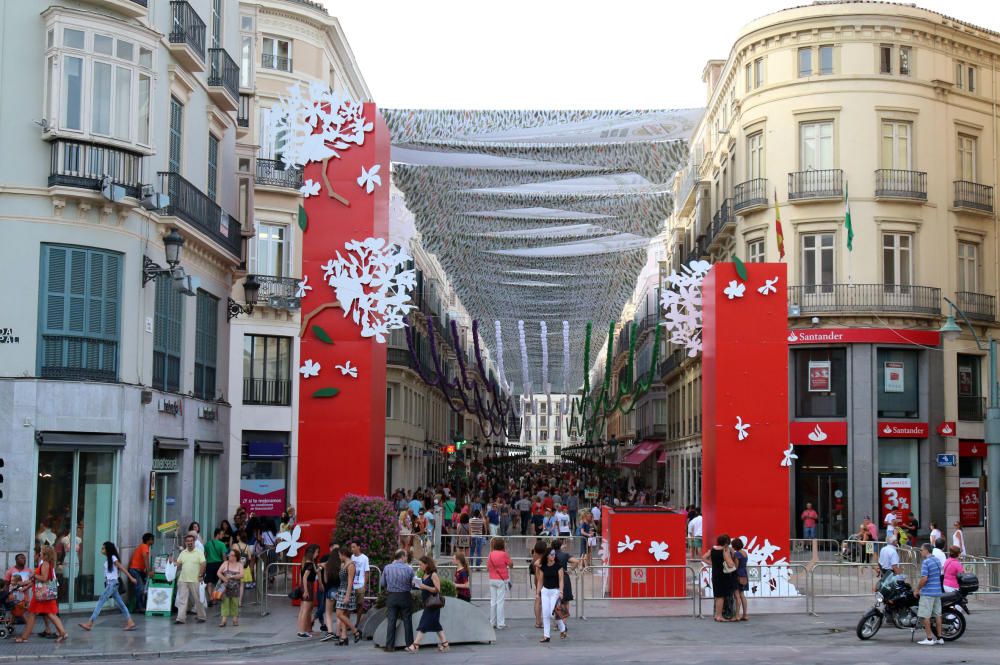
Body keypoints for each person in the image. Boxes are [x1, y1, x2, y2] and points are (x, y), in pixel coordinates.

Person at [78, 542, 136, 631]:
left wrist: (131, 578)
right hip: (112, 584)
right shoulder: (109, 559)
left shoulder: (113, 557)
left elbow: (121, 567)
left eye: (103, 548)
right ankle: (130, 621)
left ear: (108, 549)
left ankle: (90, 623)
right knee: (120, 603)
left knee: (101, 601)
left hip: (112, 584)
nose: (102, 550)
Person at [16, 545, 68, 643]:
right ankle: (63, 633)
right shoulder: (48, 563)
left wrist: (34, 574)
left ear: (45, 554)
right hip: (45, 594)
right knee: (50, 614)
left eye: (41, 551)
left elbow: (44, 578)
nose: (39, 553)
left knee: (32, 614)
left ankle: (24, 637)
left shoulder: (45, 564)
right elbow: (38, 579)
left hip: (41, 594)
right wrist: (25, 584)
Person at [406, 556, 449, 653]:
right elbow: (422, 586)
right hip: (427, 602)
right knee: (436, 625)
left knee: (423, 623)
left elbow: (437, 589)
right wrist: (416, 585)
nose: (420, 566)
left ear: (427, 564)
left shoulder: (433, 574)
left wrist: (424, 586)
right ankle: (445, 644)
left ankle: (415, 645)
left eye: (421, 564)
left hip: (433, 603)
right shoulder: (424, 574)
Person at [380, 549, 415, 652]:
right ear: (402, 556)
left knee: (391, 621)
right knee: (407, 621)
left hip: (392, 597)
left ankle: (390, 646)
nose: (406, 558)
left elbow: (382, 583)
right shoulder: (409, 569)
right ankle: (409, 645)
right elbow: (413, 583)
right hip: (405, 596)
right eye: (406, 556)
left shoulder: (387, 568)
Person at [913, 543, 944, 646]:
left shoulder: (926, 562)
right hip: (937, 591)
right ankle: (940, 637)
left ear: (927, 550)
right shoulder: (937, 560)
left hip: (928, 592)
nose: (921, 552)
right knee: (937, 615)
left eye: (921, 550)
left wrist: (917, 589)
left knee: (925, 616)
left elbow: (924, 578)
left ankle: (929, 638)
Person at [173, 533, 207, 624]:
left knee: (198, 599)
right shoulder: (183, 553)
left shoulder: (199, 552)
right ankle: (180, 618)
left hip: (195, 579)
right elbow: (178, 564)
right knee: (182, 600)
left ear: (194, 542)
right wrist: (172, 561)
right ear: (185, 542)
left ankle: (201, 616)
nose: (189, 543)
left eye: (191, 541)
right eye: (188, 541)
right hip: (183, 579)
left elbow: (203, 563)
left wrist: (200, 575)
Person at [535, 547, 567, 643]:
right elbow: (540, 580)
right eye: (551, 554)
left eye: (554, 554)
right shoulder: (543, 566)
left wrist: (561, 591)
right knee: (545, 613)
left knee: (553, 613)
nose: (553, 556)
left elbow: (561, 580)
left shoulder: (558, 566)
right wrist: (537, 593)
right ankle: (546, 636)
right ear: (547, 556)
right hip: (545, 591)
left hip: (555, 591)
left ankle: (563, 629)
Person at [703, 534, 736, 622]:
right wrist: (732, 556)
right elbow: (730, 564)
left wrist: (712, 564)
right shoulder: (725, 551)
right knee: (721, 596)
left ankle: (717, 615)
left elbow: (704, 558)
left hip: (715, 574)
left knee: (717, 596)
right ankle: (720, 616)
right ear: (726, 543)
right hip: (723, 576)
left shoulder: (713, 549)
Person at [334, 548, 361, 645]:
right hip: (342, 590)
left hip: (347, 591)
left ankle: (355, 631)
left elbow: (350, 582)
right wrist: (339, 591)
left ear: (343, 554)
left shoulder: (351, 565)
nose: (339, 557)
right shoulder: (343, 564)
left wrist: (347, 596)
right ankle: (344, 637)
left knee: (339, 614)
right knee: (343, 615)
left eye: (339, 555)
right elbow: (342, 581)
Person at [487, 537, 513, 630]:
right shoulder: (504, 554)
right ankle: (500, 623)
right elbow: (511, 565)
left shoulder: (490, 554)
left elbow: (487, 567)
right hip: (501, 580)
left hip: (492, 579)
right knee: (500, 602)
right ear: (502, 545)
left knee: (493, 601)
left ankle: (492, 622)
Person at [296, 544, 319, 638]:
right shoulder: (309, 565)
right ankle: (302, 631)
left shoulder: (305, 563)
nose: (318, 554)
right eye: (317, 552)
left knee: (302, 610)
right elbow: (305, 578)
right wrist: (306, 591)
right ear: (312, 553)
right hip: (308, 587)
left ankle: (301, 630)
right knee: (306, 610)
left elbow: (301, 577)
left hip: (304, 587)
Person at [319, 543, 341, 642]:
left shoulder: (328, 565)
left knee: (328, 613)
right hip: (340, 590)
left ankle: (330, 632)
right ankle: (338, 633)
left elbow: (326, 580)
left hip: (330, 590)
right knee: (339, 613)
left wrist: (324, 571)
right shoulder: (342, 564)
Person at [217, 548, 244, 627]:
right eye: (229, 555)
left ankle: (235, 620)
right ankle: (223, 620)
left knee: (234, 603)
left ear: (236, 557)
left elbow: (242, 575)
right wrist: (224, 578)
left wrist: (232, 576)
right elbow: (218, 572)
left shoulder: (239, 564)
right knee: (224, 603)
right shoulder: (225, 563)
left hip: (235, 587)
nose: (230, 556)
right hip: (226, 587)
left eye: (232, 555)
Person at [129, 533, 154, 612]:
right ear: (149, 540)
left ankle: (139, 606)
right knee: (140, 588)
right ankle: (140, 607)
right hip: (135, 570)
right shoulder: (144, 546)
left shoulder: (143, 546)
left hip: (138, 570)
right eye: (152, 539)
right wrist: (149, 571)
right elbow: (145, 558)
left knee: (141, 589)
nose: (153, 541)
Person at [204, 528, 228, 605]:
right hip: (219, 565)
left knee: (209, 582)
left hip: (209, 564)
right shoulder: (222, 544)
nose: (223, 536)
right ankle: (217, 597)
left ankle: (211, 598)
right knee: (220, 582)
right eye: (222, 534)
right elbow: (224, 557)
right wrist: (226, 567)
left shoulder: (207, 544)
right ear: (217, 534)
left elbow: (205, 556)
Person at [349, 540, 370, 629]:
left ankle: (358, 622)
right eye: (351, 547)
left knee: (360, 604)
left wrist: (364, 585)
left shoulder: (364, 558)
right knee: (349, 604)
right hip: (352, 584)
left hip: (360, 584)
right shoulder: (351, 557)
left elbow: (366, 572)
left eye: (354, 547)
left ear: (358, 547)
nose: (352, 549)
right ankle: (348, 624)